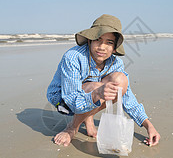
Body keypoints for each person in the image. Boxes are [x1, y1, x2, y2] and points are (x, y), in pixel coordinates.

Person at [47, 14, 160, 147]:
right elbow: (71, 100)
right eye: (98, 40)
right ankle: (72, 127)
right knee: (96, 87)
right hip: (63, 100)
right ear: (90, 41)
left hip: (89, 95)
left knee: (120, 81)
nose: (102, 47)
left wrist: (148, 125)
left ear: (114, 48)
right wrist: (96, 94)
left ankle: (87, 117)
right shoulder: (73, 57)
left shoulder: (116, 63)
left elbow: (127, 96)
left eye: (109, 42)